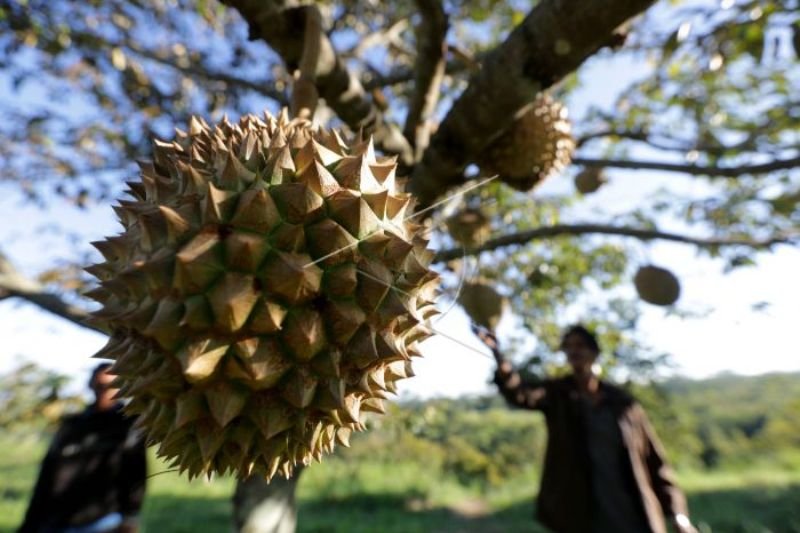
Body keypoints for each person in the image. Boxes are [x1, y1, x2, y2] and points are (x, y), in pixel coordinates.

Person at [474, 324, 697, 533]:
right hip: (581, 515)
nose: (573, 351)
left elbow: (655, 462)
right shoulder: (558, 394)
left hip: (631, 514)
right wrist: (500, 359)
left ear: (594, 351)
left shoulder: (624, 404)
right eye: (568, 346)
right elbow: (521, 394)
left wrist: (678, 514)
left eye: (579, 345)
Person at [18, 363, 147, 533]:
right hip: (57, 519)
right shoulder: (71, 425)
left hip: (102, 521)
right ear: (90, 385)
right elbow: (47, 474)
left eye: (111, 386)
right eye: (99, 385)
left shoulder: (129, 426)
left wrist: (130, 516)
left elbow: (137, 472)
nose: (104, 391)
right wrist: (30, 522)